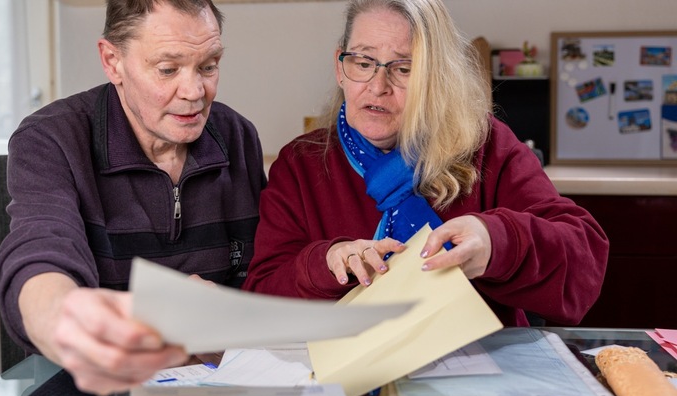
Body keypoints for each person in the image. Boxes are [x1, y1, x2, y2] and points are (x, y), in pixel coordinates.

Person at [242, 0, 608, 328]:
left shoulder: (488, 145)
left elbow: (585, 263)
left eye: (403, 69)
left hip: (475, 372)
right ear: (340, 67)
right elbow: (262, 295)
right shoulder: (300, 163)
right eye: (364, 62)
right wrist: (326, 263)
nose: (377, 85)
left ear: (435, 77)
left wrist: (495, 242)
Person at [0, 0, 265, 395]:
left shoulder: (238, 136)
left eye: (208, 65)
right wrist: (64, 319)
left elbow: (262, 276)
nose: (195, 92)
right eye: (168, 69)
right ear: (112, 61)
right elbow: (40, 252)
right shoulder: (51, 140)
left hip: (221, 379)